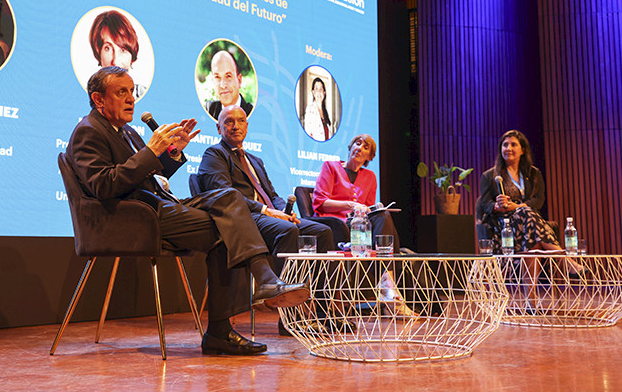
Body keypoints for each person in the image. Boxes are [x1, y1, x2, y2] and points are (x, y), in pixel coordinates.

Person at [65, 66, 309, 355]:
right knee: (226, 229)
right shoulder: (87, 132)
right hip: (131, 218)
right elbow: (104, 186)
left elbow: (145, 174)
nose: (131, 98)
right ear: (98, 99)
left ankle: (263, 283)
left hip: (157, 206)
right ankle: (230, 320)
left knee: (228, 198)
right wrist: (150, 152)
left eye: (132, 91)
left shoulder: (126, 131)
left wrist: (172, 153)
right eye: (121, 92)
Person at [198, 105, 335, 334]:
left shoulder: (255, 160)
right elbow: (224, 194)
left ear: (247, 126)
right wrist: (266, 211)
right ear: (218, 127)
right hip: (243, 218)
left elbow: (272, 195)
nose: (235, 126)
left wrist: (285, 211)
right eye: (229, 121)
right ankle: (288, 319)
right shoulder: (214, 155)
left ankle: (323, 314)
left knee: (323, 232)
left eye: (240, 121)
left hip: (270, 215)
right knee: (286, 231)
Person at [312, 133, 418, 317]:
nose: (360, 147)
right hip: (337, 222)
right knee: (383, 221)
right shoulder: (330, 166)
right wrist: (350, 205)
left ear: (370, 157)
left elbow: (368, 208)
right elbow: (320, 202)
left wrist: (373, 209)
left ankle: (387, 284)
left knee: (383, 215)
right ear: (350, 147)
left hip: (361, 225)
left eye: (365, 147)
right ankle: (388, 289)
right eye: (357, 143)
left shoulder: (370, 176)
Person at [475, 130, 582, 305]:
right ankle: (564, 260)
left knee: (532, 238)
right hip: (504, 227)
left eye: (513, 144)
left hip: (529, 228)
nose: (508, 148)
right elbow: (484, 204)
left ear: (523, 149)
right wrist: (497, 205)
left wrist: (516, 206)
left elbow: (538, 201)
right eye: (505, 144)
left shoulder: (533, 174)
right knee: (528, 216)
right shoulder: (490, 175)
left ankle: (530, 302)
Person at [88, 10, 146, 98]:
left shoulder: (141, 93)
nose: (115, 61)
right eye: (108, 48)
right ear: (98, 52)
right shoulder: (93, 96)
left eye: (123, 50)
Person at [205, 50, 253, 119]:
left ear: (239, 80)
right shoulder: (210, 111)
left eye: (228, 76)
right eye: (217, 77)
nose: (223, 85)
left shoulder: (251, 113)